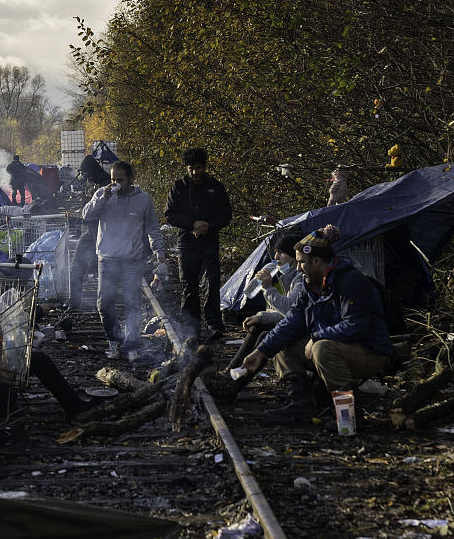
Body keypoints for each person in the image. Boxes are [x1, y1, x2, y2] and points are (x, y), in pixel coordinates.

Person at [237, 226, 392, 421]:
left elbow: (356, 326)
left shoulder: (350, 281)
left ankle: (349, 417)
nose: (298, 268)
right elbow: (292, 320)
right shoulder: (310, 285)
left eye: (301, 262)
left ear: (317, 261)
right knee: (284, 345)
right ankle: (300, 406)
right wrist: (262, 351)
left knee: (322, 348)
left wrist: (317, 336)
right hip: (335, 347)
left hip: (369, 351)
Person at [82, 161, 166, 362]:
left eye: (120, 180)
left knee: (132, 304)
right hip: (107, 259)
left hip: (131, 261)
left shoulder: (143, 199)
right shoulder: (103, 195)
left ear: (130, 179)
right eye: (112, 180)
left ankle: (131, 345)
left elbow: (153, 229)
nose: (115, 184)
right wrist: (103, 198)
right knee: (104, 304)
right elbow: (86, 215)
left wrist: (160, 255)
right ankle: (114, 340)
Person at [164, 147, 233, 341]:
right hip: (186, 242)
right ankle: (191, 326)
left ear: (205, 166)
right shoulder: (178, 187)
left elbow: (226, 214)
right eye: (191, 168)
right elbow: (170, 214)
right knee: (189, 284)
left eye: (198, 167)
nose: (195, 172)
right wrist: (192, 223)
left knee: (211, 282)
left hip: (210, 242)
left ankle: (214, 325)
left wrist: (208, 225)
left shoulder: (216, 187)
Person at [225, 229, 306, 374]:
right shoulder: (286, 274)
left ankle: (237, 373)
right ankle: (232, 371)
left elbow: (291, 312)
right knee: (258, 326)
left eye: (281, 253)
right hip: (296, 324)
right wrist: (261, 316)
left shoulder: (301, 278)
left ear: (294, 257)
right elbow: (289, 313)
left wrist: (268, 288)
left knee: (264, 334)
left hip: (305, 330)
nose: (276, 257)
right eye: (276, 252)